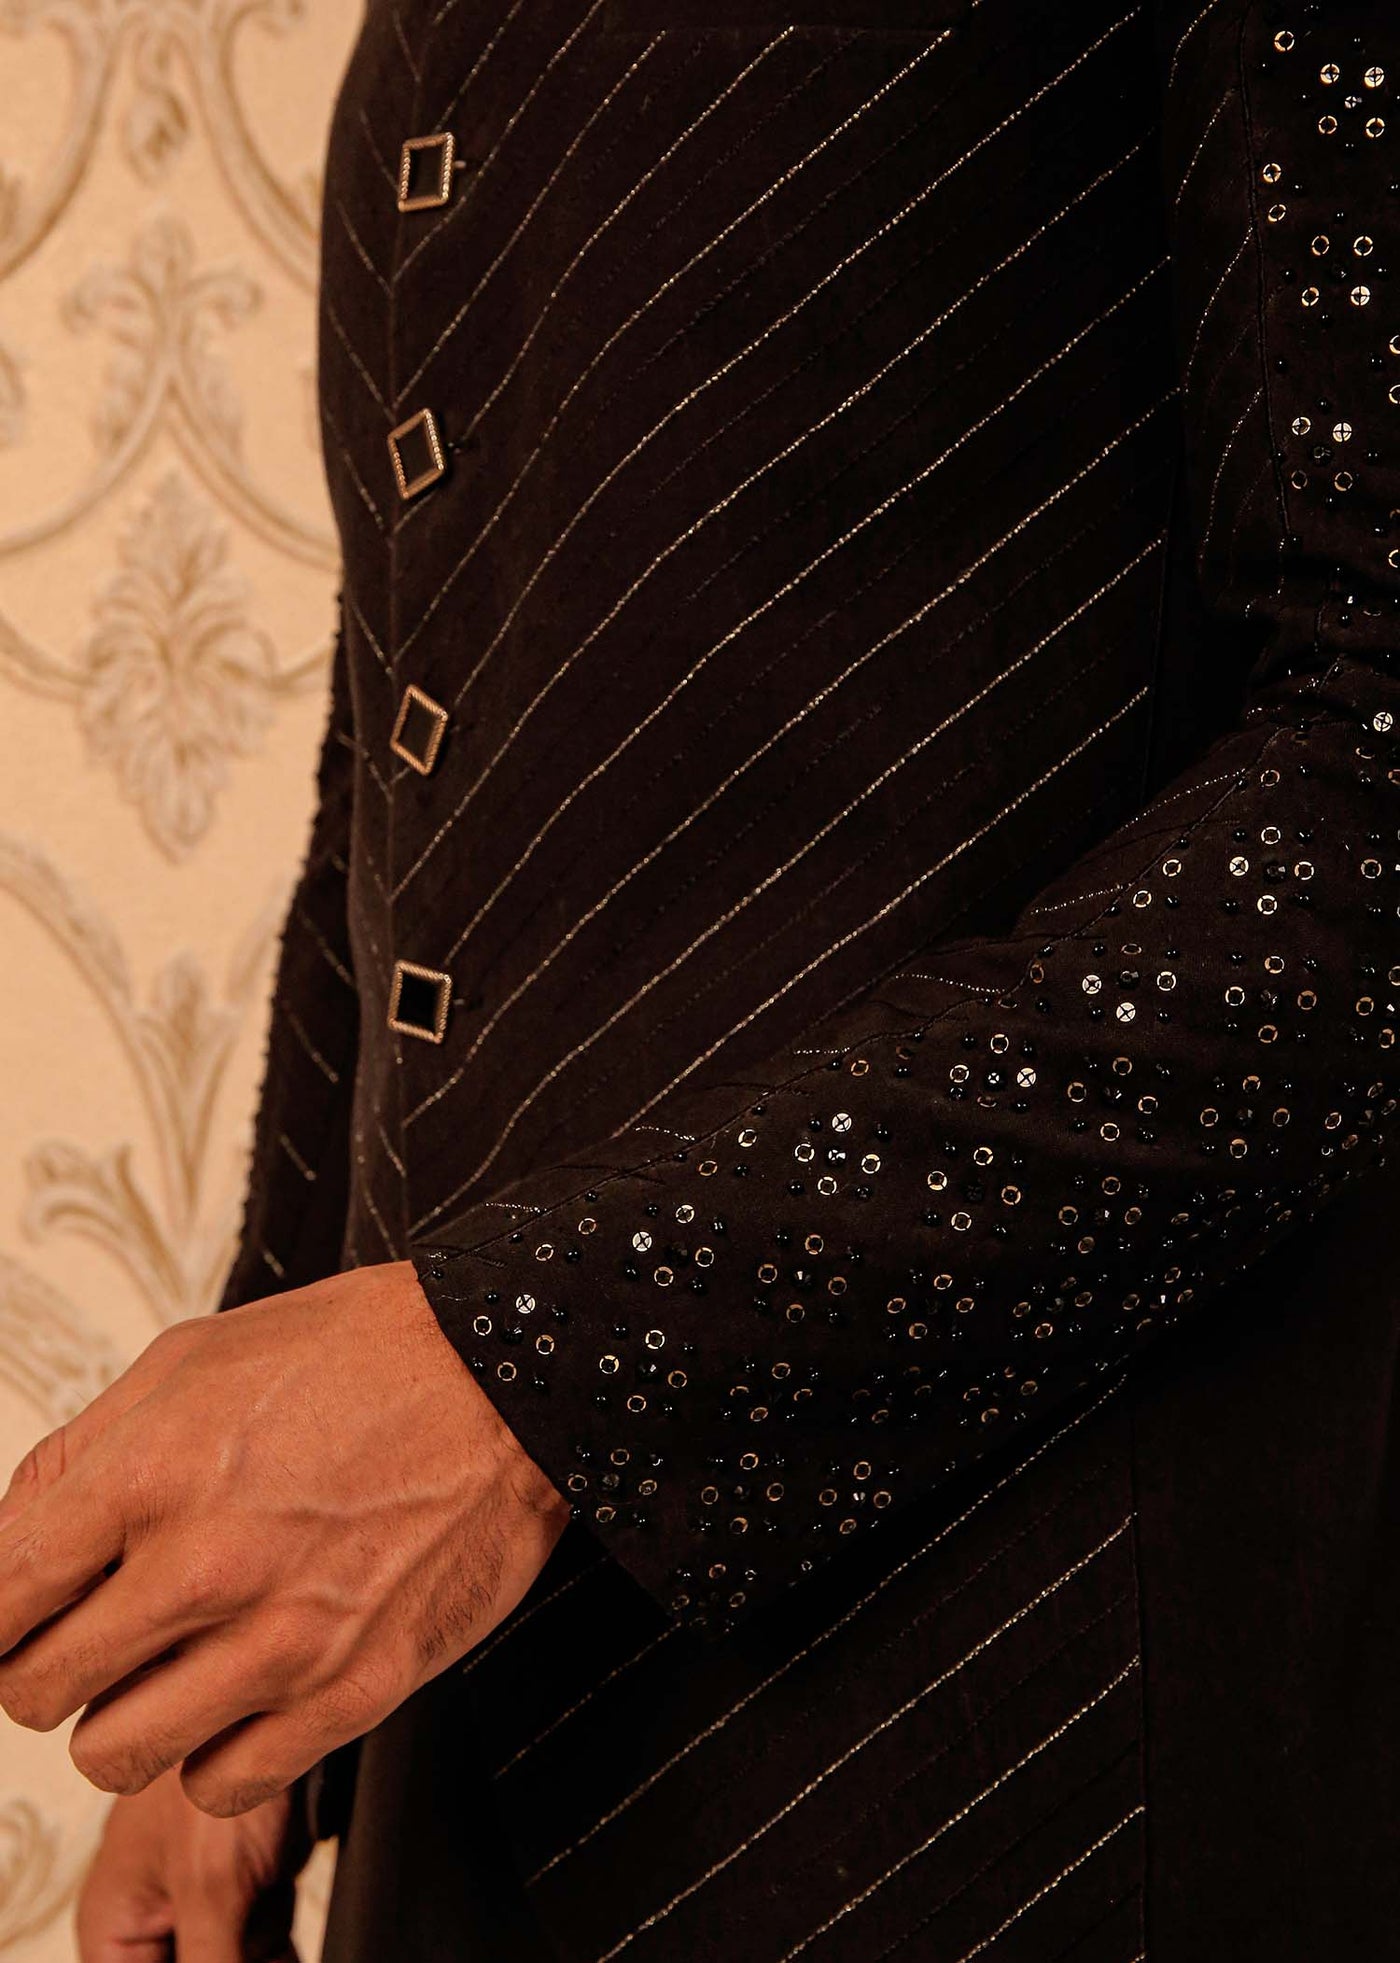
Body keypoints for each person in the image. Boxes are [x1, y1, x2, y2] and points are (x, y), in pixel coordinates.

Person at [3, 0, 1397, 1956]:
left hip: (1023, 1746)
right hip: (479, 1734)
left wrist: (534, 1360)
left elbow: (1370, 792)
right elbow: (411, 777)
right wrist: (229, 1635)